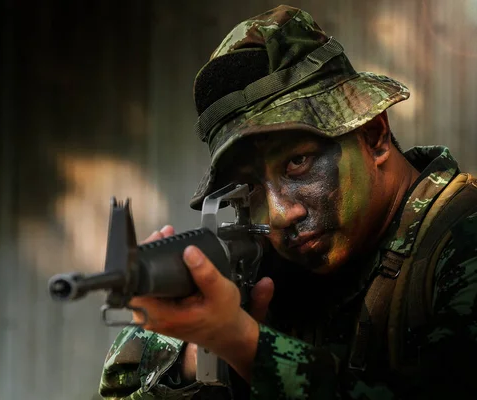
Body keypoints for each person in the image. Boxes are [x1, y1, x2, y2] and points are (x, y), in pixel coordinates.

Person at [98, 5, 477, 399]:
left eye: (298, 162)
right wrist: (196, 358)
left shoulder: (463, 239)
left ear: (374, 135)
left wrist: (243, 343)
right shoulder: (269, 270)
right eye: (252, 188)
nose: (280, 214)